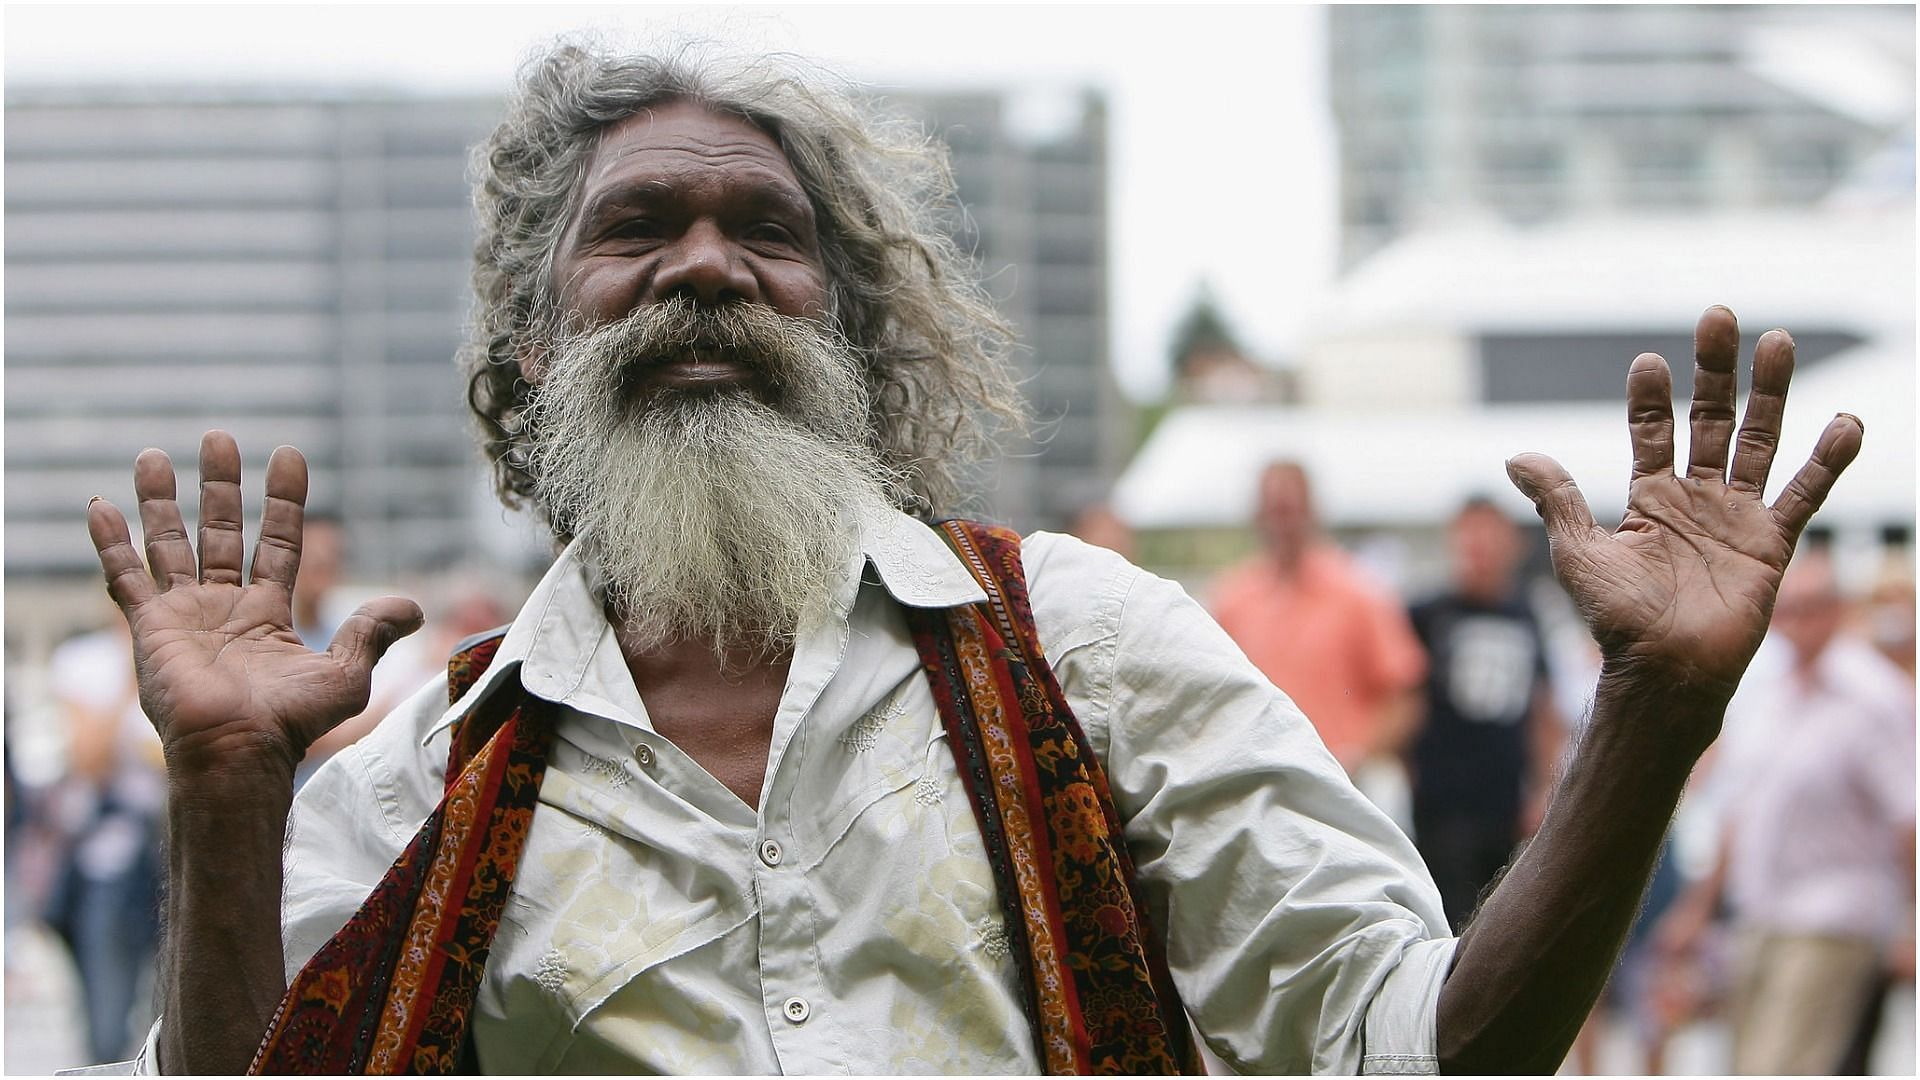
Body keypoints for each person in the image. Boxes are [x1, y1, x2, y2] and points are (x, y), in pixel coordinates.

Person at [82, 45, 1865, 1075]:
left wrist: (1649, 719)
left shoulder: (1079, 648)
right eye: (636, 230)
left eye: (764, 235)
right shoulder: (435, 772)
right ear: (538, 343)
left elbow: (1415, 1050)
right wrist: (228, 793)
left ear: (848, 334)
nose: (704, 266)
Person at [1655, 550, 1915, 1074]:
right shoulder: (1768, 695)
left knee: (1782, 1065)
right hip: (1760, 914)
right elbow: (1743, 812)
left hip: (1834, 917)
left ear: (1838, 610)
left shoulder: (1873, 697)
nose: (1798, 622)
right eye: (1788, 609)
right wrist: (1699, 908)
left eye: (1812, 607)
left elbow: (1907, 820)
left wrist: (1910, 925)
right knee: (1743, 1060)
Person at [1211, 461, 1427, 798]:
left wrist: (1359, 757)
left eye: (1290, 509)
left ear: (1312, 512)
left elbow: (1405, 695)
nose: (1283, 523)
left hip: (1342, 787)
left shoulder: (1358, 592)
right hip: (1260, 788)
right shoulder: (1234, 599)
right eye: (1274, 510)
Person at [1403, 496, 1563, 932]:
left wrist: (1545, 790)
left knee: (1497, 923)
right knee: (1449, 922)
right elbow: (1402, 700)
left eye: (1489, 535)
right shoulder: (1427, 614)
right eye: (1470, 536)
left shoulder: (1527, 614)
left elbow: (1543, 709)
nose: (1480, 548)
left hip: (1504, 804)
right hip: (1442, 804)